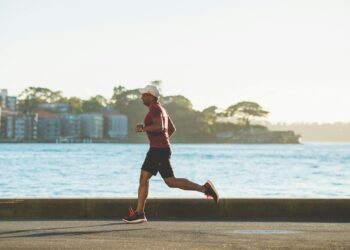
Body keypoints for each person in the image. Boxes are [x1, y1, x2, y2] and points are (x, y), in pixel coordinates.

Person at [122, 85, 219, 224]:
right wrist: (163, 140)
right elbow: (171, 129)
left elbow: (160, 127)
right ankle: (140, 213)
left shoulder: (155, 109)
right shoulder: (161, 109)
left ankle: (205, 189)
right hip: (158, 149)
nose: (141, 97)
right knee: (153, 179)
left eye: (144, 94)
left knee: (164, 181)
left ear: (151, 96)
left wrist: (144, 128)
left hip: (158, 150)